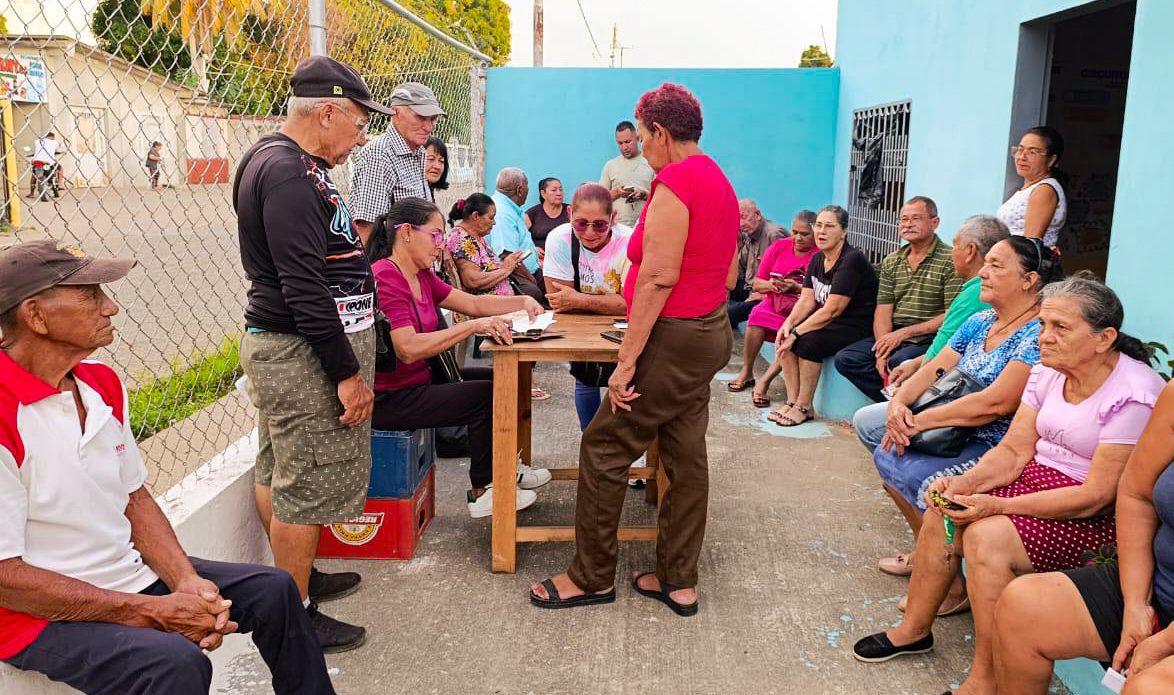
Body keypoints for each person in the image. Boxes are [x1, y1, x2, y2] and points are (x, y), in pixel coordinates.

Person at [0, 240, 334, 694]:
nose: (110, 307)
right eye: (90, 295)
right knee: (175, 664)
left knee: (276, 591)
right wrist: (152, 612)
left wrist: (187, 583)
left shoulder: (102, 384)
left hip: (126, 576)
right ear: (35, 316)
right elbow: (8, 579)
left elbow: (135, 499)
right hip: (37, 616)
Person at [852, 274, 1165, 695]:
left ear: (1104, 337)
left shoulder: (1134, 393)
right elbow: (1014, 452)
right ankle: (913, 631)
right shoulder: (1048, 372)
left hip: (1087, 512)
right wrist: (964, 482)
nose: (1045, 338)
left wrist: (996, 506)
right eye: (1042, 326)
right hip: (1035, 480)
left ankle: (984, 678)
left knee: (985, 537)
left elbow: (1098, 495)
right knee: (947, 503)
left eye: (1060, 328)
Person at [530, 82, 738, 615]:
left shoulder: (675, 182)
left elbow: (657, 278)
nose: (641, 146)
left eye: (643, 136)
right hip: (707, 331)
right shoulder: (717, 178)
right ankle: (677, 578)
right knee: (685, 453)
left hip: (674, 335)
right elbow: (725, 270)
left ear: (661, 133)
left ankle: (592, 576)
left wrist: (626, 363)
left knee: (604, 449)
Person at [233, 55, 390, 652]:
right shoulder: (292, 175)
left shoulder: (273, 160)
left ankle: (293, 580)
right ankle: (293, 616)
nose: (360, 135)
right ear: (327, 110)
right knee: (304, 481)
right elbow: (303, 286)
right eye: (357, 121)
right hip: (302, 353)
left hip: (288, 348)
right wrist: (346, 374)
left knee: (279, 467)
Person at [857, 235, 1052, 582]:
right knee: (886, 450)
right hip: (950, 427)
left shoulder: (1036, 333)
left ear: (1029, 280)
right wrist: (899, 405)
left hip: (991, 440)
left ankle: (947, 577)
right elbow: (934, 369)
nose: (983, 274)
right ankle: (929, 552)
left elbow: (996, 403)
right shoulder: (981, 321)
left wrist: (917, 420)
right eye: (985, 263)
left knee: (915, 473)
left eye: (995, 266)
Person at [367, 198, 550, 518]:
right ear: (406, 232)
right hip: (392, 396)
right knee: (482, 396)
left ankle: (507, 465)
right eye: (435, 235)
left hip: (420, 380)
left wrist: (523, 302)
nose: (441, 245)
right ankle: (484, 489)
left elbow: (473, 304)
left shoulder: (421, 274)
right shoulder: (386, 276)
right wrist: (472, 329)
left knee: (505, 379)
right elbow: (407, 348)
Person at [993, 380, 1174, 695]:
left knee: (1149, 688)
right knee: (1023, 606)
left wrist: (1167, 641)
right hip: (1161, 588)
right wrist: (1135, 604)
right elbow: (1136, 495)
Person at [834, 197, 962, 402]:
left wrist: (903, 334)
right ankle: (895, 403)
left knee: (900, 360)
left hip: (929, 335)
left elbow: (951, 315)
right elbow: (883, 308)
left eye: (915, 218)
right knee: (848, 359)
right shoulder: (892, 260)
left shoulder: (950, 259)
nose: (908, 224)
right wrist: (883, 347)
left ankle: (904, 405)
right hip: (896, 333)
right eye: (903, 220)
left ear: (934, 222)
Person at [766, 205, 877, 427]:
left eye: (829, 226)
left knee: (808, 342)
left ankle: (804, 406)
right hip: (831, 321)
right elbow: (807, 300)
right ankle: (792, 401)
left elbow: (833, 308)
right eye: (818, 226)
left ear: (843, 232)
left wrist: (797, 332)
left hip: (855, 325)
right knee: (783, 337)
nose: (821, 232)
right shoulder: (817, 259)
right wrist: (788, 325)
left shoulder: (851, 259)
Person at [882, 215, 1011, 391]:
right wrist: (913, 365)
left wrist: (902, 395)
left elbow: (936, 359)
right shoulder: (985, 290)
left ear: (970, 251)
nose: (952, 251)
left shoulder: (976, 295)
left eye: (956, 244)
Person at [541, 182, 632, 429]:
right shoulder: (559, 238)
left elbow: (631, 305)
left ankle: (620, 448)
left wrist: (580, 299)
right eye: (581, 223)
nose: (590, 233)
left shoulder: (630, 242)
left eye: (600, 225)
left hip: (624, 329)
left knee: (627, 382)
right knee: (586, 377)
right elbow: (559, 301)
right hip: (579, 327)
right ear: (569, 214)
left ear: (613, 218)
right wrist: (611, 302)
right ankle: (589, 438)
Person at [446, 193, 549, 400]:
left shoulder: (476, 238)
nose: (494, 223)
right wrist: (507, 269)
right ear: (476, 216)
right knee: (530, 317)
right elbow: (472, 280)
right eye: (491, 217)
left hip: (496, 299)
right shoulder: (462, 238)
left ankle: (521, 378)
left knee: (535, 313)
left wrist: (507, 266)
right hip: (484, 304)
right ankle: (519, 380)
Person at [726, 210, 818, 407]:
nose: (798, 238)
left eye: (804, 234)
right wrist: (774, 285)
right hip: (775, 300)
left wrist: (797, 288)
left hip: (801, 306)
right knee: (756, 317)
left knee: (788, 334)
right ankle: (747, 371)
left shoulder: (819, 254)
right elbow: (758, 282)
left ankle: (764, 382)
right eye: (795, 232)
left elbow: (821, 291)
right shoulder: (780, 246)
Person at [349, 81, 445, 245]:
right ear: (395, 113)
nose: (429, 127)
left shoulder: (419, 152)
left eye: (433, 119)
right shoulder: (379, 155)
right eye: (420, 117)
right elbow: (368, 234)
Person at [998, 126, 1067, 247]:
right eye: (1020, 150)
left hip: (1021, 263)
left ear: (1051, 160)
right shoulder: (1030, 188)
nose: (1022, 157)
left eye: (1032, 152)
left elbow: (1030, 244)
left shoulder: (1044, 190)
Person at [727, 198, 788, 328]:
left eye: (743, 217)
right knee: (720, 288)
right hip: (750, 287)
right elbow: (739, 271)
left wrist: (765, 293)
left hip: (770, 294)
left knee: (728, 314)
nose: (740, 224)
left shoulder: (774, 235)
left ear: (758, 214)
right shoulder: (749, 234)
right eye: (736, 219)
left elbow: (785, 277)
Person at [486, 167, 542, 277]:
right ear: (520, 190)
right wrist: (532, 281)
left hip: (528, 272)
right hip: (518, 278)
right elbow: (507, 256)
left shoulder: (508, 207)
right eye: (527, 187)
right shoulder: (502, 213)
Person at [599, 120, 655, 227]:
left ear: (637, 138)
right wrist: (617, 192)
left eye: (628, 142)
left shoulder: (651, 162)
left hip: (645, 226)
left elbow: (660, 197)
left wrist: (643, 194)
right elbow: (600, 198)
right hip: (617, 228)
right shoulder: (610, 165)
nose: (624, 147)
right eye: (620, 143)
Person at [524, 177, 570, 256]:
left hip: (564, 259)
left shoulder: (570, 211)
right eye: (554, 190)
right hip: (539, 261)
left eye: (561, 189)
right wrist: (531, 249)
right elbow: (518, 237)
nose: (559, 193)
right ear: (543, 193)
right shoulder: (532, 213)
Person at [28, 132, 59, 200]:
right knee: (59, 168)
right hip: (49, 162)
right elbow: (56, 149)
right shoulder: (54, 142)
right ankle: (60, 183)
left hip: (38, 162)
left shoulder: (37, 141)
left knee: (34, 175)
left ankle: (31, 193)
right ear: (52, 137)